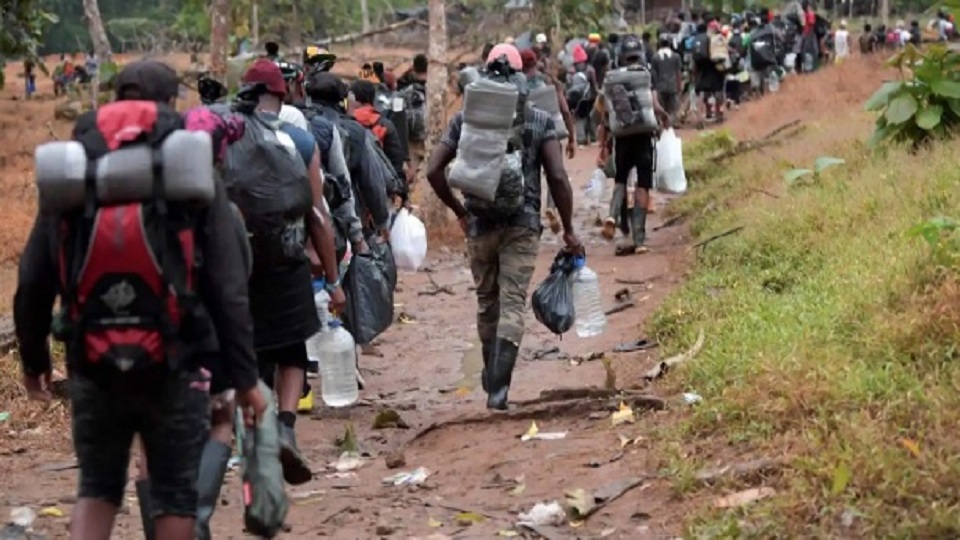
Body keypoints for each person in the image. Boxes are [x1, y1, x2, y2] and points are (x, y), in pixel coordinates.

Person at [15, 60, 267, 540]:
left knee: (98, 487)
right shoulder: (189, 170)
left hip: (92, 360)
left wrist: (34, 360)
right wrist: (245, 377)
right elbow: (228, 285)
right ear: (172, 105)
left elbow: (32, 278)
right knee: (175, 492)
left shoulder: (77, 172)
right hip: (176, 358)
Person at [426, 43, 582, 410]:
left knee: (487, 303)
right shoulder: (539, 118)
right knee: (512, 303)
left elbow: (434, 170)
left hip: (479, 223)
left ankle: (492, 371)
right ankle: (499, 387)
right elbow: (558, 177)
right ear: (520, 76)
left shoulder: (466, 119)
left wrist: (459, 211)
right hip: (522, 224)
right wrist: (569, 228)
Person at [232, 59, 346, 486]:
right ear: (283, 95)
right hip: (288, 262)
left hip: (238, 267)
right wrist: (333, 281)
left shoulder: (224, 138)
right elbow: (317, 214)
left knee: (251, 353)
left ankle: (253, 440)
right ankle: (284, 426)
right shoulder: (298, 139)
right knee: (292, 349)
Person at [597, 35, 670, 255]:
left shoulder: (613, 78)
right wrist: (663, 116)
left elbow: (604, 110)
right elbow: (654, 104)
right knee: (643, 184)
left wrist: (603, 140)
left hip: (622, 137)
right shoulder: (647, 74)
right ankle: (639, 239)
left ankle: (612, 215)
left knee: (620, 179)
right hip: (644, 136)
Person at [350, 79, 407, 188]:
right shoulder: (385, 125)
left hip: (353, 187)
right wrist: (402, 191)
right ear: (373, 97)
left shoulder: (344, 123)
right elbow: (396, 160)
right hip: (381, 185)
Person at [651, 34, 683, 122]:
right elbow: (678, 73)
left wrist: (654, 88)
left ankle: (664, 124)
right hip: (672, 86)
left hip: (660, 87)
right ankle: (671, 124)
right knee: (673, 109)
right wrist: (679, 85)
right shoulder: (676, 56)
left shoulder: (655, 57)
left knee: (662, 108)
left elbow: (654, 74)